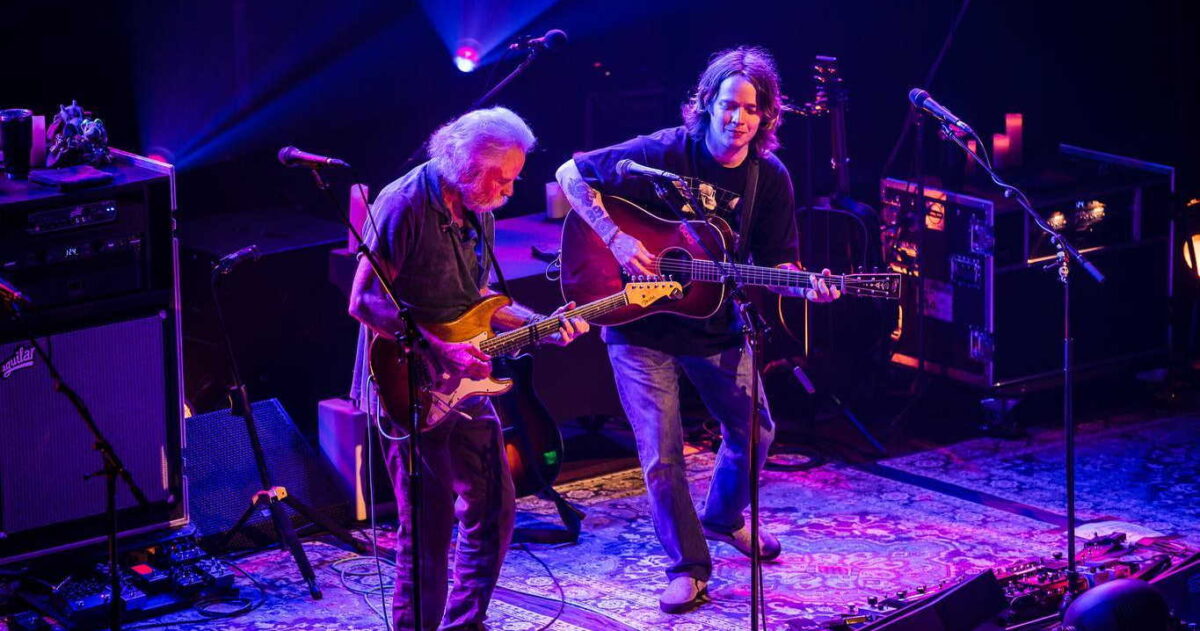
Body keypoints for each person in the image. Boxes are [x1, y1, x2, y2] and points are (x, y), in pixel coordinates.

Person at [554, 46, 840, 614]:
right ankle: (688, 565)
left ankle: (723, 517)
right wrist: (615, 239)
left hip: (715, 325)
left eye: (752, 110)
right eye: (729, 106)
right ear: (707, 104)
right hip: (637, 326)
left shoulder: (769, 179)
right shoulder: (661, 151)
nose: (739, 120)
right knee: (662, 455)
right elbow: (570, 172)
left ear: (766, 117)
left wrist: (806, 286)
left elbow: (778, 265)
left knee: (756, 432)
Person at [349, 106, 589, 631]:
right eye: (498, 176)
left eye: (512, 178)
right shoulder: (403, 204)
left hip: (464, 380)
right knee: (426, 528)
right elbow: (364, 301)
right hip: (404, 381)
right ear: (460, 159)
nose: (506, 189)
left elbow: (477, 296)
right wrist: (439, 348)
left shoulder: (478, 203)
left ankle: (464, 624)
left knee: (496, 509)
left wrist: (541, 323)